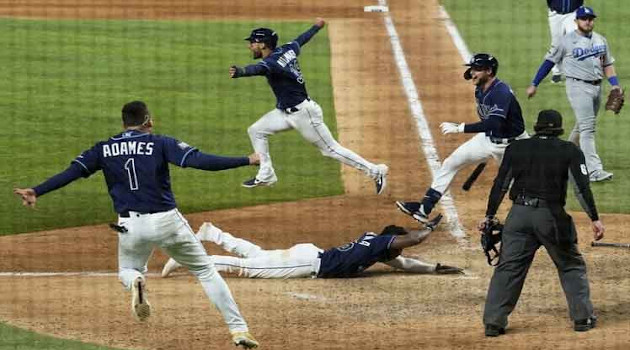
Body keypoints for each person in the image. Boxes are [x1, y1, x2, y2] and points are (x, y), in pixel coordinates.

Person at [13, 101, 260, 349]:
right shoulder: (160, 142)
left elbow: (72, 172)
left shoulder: (103, 148)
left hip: (130, 224)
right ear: (148, 121)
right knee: (205, 271)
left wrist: (37, 191)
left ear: (123, 124)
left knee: (127, 270)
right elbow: (200, 161)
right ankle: (239, 330)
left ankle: (135, 282)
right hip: (167, 221)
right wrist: (247, 160)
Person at [480, 109, 604, 337]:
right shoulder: (569, 150)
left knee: (508, 268)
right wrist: (594, 218)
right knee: (570, 265)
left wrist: (489, 215)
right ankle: (582, 318)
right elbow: (581, 188)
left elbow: (501, 184)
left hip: (518, 216)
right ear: (558, 129)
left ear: (537, 127)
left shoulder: (516, 148)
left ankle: (493, 323)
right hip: (551, 217)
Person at [229, 18, 389, 194]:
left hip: (304, 114)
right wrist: (316, 27)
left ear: (263, 45)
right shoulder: (287, 49)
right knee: (256, 130)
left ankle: (375, 171)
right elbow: (301, 39)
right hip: (284, 112)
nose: (250, 46)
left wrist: (241, 72)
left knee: (330, 149)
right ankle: (266, 174)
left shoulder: (271, 63)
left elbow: (257, 69)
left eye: (253, 43)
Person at [396, 53, 527, 223]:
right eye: (472, 68)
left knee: (522, 185)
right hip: (488, 139)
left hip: (513, 146)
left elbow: (494, 123)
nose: (472, 73)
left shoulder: (501, 92)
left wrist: (461, 128)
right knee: (451, 163)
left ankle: (528, 220)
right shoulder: (480, 87)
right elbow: (489, 123)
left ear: (489, 71)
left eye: (477, 69)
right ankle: (424, 208)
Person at [161, 217, 464, 279]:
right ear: (392, 242)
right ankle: (189, 260)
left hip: (310, 254)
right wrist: (427, 229)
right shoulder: (381, 244)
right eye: (397, 247)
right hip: (309, 263)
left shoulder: (376, 247)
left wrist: (434, 268)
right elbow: (411, 241)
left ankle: (213, 232)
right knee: (249, 269)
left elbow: (405, 263)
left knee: (259, 257)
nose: (398, 253)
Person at [527, 6, 621, 182]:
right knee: (588, 128)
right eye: (584, 18)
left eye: (590, 18)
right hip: (577, 87)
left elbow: (607, 64)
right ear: (576, 21)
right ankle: (594, 171)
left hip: (597, 87)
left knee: (581, 126)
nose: (588, 21)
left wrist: (615, 85)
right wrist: (534, 84)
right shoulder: (565, 41)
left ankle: (559, 159)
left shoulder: (601, 40)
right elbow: (549, 62)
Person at [546, 0, 583, 83]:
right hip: (555, 15)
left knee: (575, 42)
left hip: (572, 14)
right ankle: (557, 73)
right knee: (557, 45)